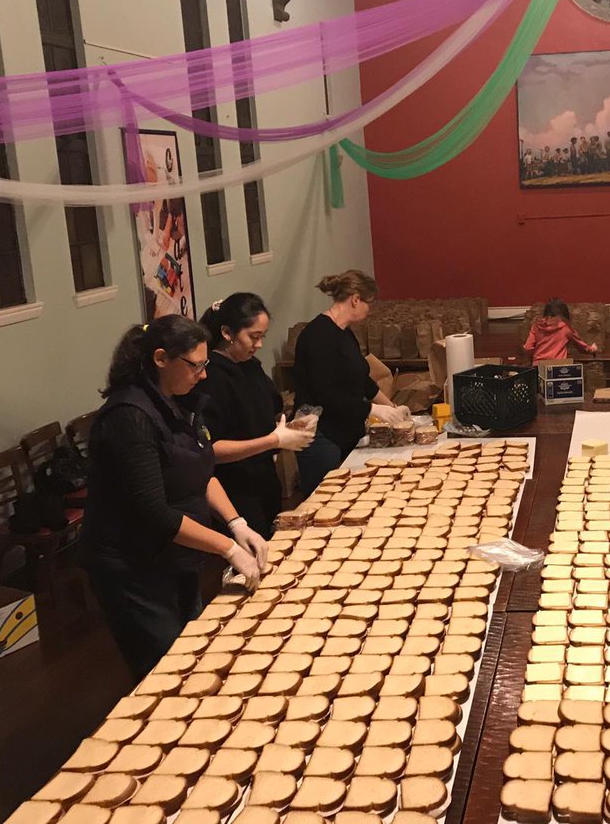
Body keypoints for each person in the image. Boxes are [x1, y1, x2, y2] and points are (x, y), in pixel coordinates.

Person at [83, 316, 268, 679]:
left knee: (194, 654)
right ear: (161, 359)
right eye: (195, 366)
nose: (203, 375)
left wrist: (236, 523)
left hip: (176, 557)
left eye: (205, 364)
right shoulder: (130, 418)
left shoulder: (178, 402)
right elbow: (153, 513)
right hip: (134, 568)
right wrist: (227, 548)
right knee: (168, 670)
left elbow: (199, 469)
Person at [195, 293, 315, 540]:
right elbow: (211, 449)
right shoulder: (211, 378)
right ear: (226, 333)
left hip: (264, 481)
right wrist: (274, 440)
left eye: (262, 337)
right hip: (235, 490)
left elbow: (257, 419)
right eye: (253, 336)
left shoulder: (250, 366)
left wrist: (289, 429)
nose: (258, 345)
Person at [294, 270, 408, 496]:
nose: (369, 309)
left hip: (344, 431)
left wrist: (391, 407)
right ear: (355, 299)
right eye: (369, 303)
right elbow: (326, 395)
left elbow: (361, 379)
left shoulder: (345, 333)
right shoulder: (317, 336)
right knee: (325, 502)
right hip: (322, 437)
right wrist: (373, 410)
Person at [524, 299, 599, 364]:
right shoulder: (565, 327)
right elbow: (580, 346)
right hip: (558, 366)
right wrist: (592, 349)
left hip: (538, 365)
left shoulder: (536, 326)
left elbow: (527, 347)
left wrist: (534, 359)